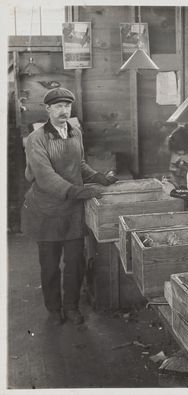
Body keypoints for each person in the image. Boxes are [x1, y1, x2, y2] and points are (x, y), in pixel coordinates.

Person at [21, 87, 117, 326]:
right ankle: (54, 310)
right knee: (50, 265)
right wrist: (76, 190)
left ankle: (72, 307)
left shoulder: (75, 132)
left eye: (67, 106)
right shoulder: (36, 139)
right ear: (48, 109)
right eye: (59, 106)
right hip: (46, 211)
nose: (64, 111)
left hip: (73, 211)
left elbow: (79, 164)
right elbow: (44, 176)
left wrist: (99, 177)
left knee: (75, 262)